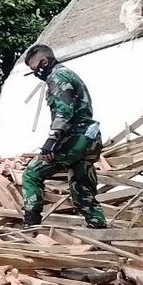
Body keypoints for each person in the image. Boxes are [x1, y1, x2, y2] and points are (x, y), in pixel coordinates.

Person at [20, 44, 106, 229]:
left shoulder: (56, 77)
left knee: (32, 174)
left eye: (35, 68)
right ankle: (98, 225)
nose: (36, 73)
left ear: (44, 61)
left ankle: (31, 223)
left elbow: (64, 112)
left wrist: (51, 142)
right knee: (81, 185)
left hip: (74, 139)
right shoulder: (69, 74)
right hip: (90, 138)